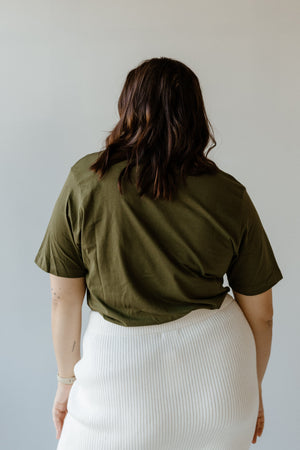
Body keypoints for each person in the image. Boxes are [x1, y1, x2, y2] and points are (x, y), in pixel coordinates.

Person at [34, 57, 283, 450]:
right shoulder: (229, 195)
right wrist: (251, 388)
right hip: (219, 377)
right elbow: (263, 315)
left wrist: (66, 383)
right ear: (196, 116)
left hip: (116, 381)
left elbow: (62, 297)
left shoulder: (86, 182)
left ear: (126, 109)